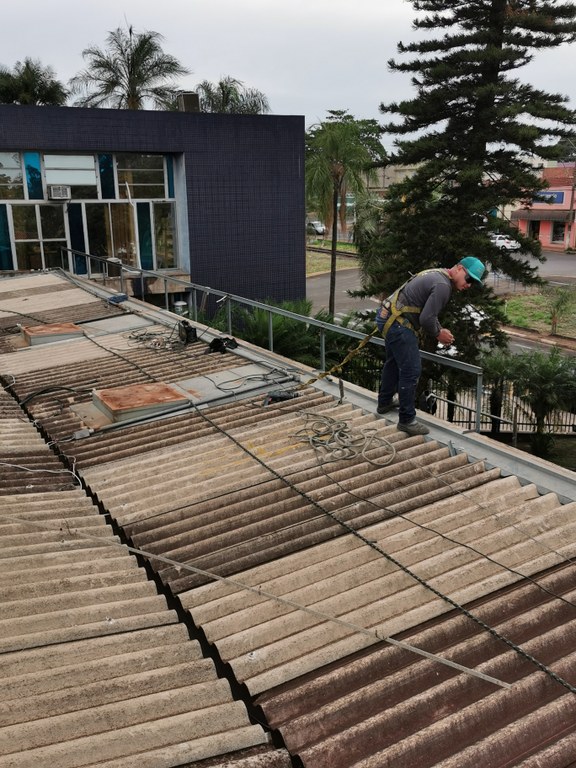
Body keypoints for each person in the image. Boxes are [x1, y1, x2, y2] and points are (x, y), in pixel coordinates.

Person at [376, 256, 486, 436]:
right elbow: (426, 318)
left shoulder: (437, 274)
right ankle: (406, 420)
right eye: (468, 279)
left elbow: (426, 313)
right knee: (411, 370)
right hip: (398, 324)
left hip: (387, 316)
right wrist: (438, 333)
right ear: (459, 268)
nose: (468, 284)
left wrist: (438, 329)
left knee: (394, 362)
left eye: (473, 282)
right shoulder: (443, 286)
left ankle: (385, 401)